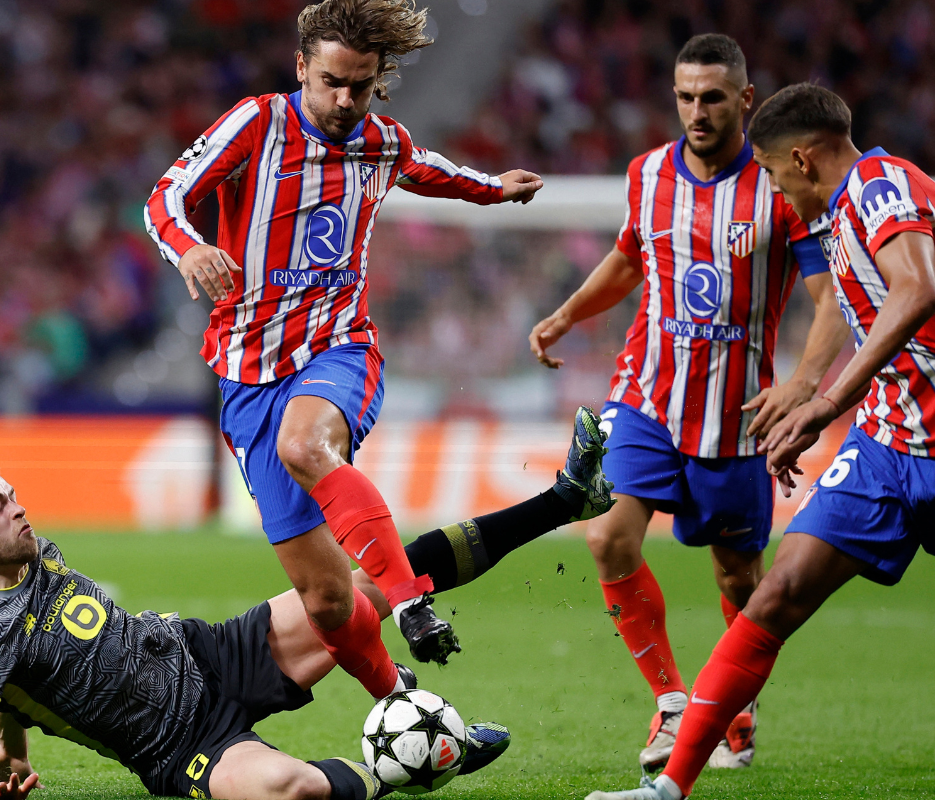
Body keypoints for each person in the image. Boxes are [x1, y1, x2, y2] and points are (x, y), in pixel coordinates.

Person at [144, 0, 546, 701]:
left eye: (360, 85)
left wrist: (495, 191)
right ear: (301, 66)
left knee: (307, 446)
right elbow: (165, 198)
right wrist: (191, 248)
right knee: (327, 601)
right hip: (247, 375)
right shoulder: (259, 122)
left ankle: (410, 600)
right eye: (330, 81)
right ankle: (404, 704)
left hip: (338, 349)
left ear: (377, 79)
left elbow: (432, 170)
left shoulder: (381, 140)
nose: (343, 100)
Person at [0, 408, 615, 800]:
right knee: (289, 791)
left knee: (349, 586)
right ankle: (412, 760)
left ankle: (563, 501)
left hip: (210, 651)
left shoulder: (27, 549)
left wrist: (16, 754)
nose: (19, 507)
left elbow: (16, 695)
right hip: (179, 747)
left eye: (14, 493)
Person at [586, 82, 935, 800]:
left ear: (802, 160)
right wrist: (811, 403)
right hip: (886, 447)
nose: (774, 189)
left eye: (774, 173)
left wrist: (827, 397)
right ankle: (669, 788)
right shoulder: (843, 216)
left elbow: (917, 288)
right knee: (773, 596)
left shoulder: (879, 185)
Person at [527, 34, 848, 772]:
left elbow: (828, 291)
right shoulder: (647, 174)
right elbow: (631, 258)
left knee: (740, 576)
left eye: (710, 98)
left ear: (744, 100)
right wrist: (571, 313)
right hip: (646, 394)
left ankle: (733, 705)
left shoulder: (777, 188)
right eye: (684, 97)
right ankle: (673, 703)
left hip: (735, 417)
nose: (695, 112)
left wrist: (804, 384)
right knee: (607, 536)